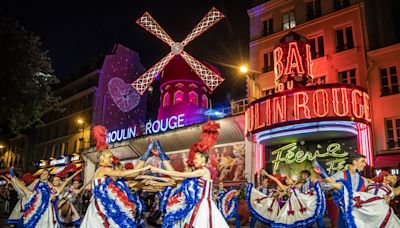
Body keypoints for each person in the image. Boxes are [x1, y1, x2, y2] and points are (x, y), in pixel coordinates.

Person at [150, 121, 229, 228]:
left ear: (203, 159)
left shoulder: (203, 171)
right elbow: (177, 176)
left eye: (196, 158)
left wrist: (159, 170)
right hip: (199, 204)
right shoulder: (199, 171)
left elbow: (179, 175)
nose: (194, 160)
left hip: (203, 206)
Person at [80, 125, 151, 228]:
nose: (111, 160)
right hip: (101, 204)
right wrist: (143, 169)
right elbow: (122, 174)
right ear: (102, 158)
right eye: (109, 157)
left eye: (111, 158)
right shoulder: (104, 169)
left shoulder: (102, 170)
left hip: (102, 202)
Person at [321, 155, 400, 227]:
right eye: (362, 161)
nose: (365, 164)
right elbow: (323, 185)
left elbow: (371, 194)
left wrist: (383, 199)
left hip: (362, 217)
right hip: (344, 214)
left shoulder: (362, 180)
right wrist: (334, 186)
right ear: (354, 162)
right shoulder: (341, 174)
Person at [247, 169, 325, 227]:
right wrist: (267, 174)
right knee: (294, 221)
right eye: (286, 180)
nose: (287, 180)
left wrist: (319, 175)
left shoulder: (299, 185)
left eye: (288, 179)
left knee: (312, 215)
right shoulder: (285, 188)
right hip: (293, 205)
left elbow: (312, 182)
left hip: (302, 201)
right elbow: (276, 180)